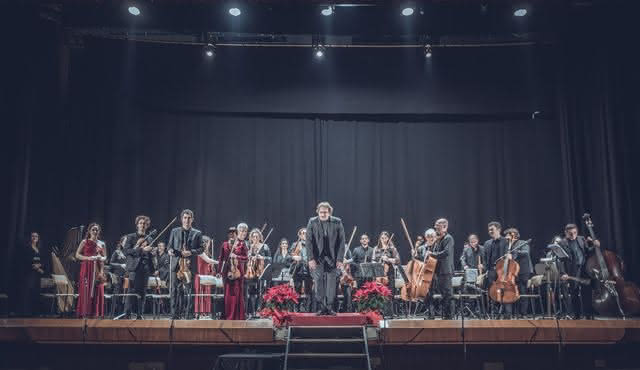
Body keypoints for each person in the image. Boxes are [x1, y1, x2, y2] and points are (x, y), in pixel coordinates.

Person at [306, 202, 346, 316]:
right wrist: (310, 258)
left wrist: (339, 259)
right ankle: (321, 307)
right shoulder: (312, 222)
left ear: (329, 212)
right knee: (318, 283)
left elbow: (342, 242)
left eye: (325, 212)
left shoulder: (337, 222)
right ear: (317, 212)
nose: (323, 214)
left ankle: (329, 307)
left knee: (331, 284)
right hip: (317, 258)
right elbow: (308, 241)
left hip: (332, 258)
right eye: (321, 212)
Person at [167, 209, 204, 319]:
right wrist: (169, 251)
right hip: (176, 264)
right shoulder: (174, 231)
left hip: (189, 265)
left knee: (189, 290)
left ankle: (189, 314)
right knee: (174, 290)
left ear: (192, 219)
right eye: (185, 218)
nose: (187, 220)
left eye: (189, 218)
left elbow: (201, 249)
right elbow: (169, 246)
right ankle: (174, 314)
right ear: (181, 219)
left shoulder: (197, 233)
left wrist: (191, 252)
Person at [557, 223, 596, 319]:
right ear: (566, 233)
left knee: (586, 293)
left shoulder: (581, 239)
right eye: (570, 233)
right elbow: (560, 260)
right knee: (574, 293)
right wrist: (563, 273)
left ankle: (588, 315)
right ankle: (577, 315)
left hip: (584, 269)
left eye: (575, 233)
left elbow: (588, 251)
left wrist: (594, 245)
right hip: (572, 271)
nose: (573, 235)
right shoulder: (562, 243)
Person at [123, 215, 154, 319]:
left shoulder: (149, 238)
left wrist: (152, 253)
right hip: (134, 268)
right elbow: (127, 251)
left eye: (144, 224)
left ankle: (140, 314)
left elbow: (150, 255)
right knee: (131, 291)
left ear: (147, 226)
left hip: (145, 268)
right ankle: (127, 313)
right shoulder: (131, 237)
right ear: (137, 225)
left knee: (143, 292)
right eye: (140, 223)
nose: (142, 225)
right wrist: (141, 250)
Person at [75, 223, 107, 318]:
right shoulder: (84, 242)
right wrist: (88, 258)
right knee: (86, 289)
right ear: (89, 231)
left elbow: (105, 257)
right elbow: (77, 255)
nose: (95, 231)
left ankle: (95, 312)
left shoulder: (102, 243)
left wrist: (101, 259)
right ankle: (85, 311)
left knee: (98, 288)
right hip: (87, 268)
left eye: (97, 230)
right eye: (93, 229)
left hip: (97, 268)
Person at [219, 223, 249, 320]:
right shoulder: (224, 244)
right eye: (230, 233)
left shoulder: (242, 244)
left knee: (237, 293)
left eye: (233, 233)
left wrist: (237, 256)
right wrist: (219, 271)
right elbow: (221, 258)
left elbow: (246, 257)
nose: (232, 235)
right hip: (227, 271)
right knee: (227, 294)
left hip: (238, 271)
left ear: (236, 234)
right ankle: (227, 315)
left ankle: (237, 315)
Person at [426, 218, 455, 320]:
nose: (435, 227)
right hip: (439, 271)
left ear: (444, 226)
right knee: (444, 295)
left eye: (437, 225)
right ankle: (446, 316)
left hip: (445, 271)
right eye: (435, 225)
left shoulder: (448, 238)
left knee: (448, 295)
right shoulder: (439, 239)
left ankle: (449, 317)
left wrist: (432, 254)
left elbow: (446, 253)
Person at [483, 221, 510, 318]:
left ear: (499, 230)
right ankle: (493, 314)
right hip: (491, 271)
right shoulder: (487, 243)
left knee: (505, 292)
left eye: (492, 229)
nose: (490, 231)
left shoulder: (506, 241)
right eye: (489, 230)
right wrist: (486, 270)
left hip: (503, 270)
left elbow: (511, 254)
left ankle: (507, 315)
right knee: (492, 292)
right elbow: (485, 258)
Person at [504, 228, 533, 318]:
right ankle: (510, 314)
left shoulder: (523, 243)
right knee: (511, 292)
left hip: (523, 271)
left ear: (514, 235)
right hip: (511, 272)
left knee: (522, 291)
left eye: (508, 235)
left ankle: (523, 314)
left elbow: (526, 253)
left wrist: (513, 254)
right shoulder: (507, 246)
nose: (506, 237)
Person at [372, 231, 400, 314]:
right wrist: (376, 263)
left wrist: (388, 259)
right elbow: (373, 260)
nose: (383, 240)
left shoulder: (392, 249)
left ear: (388, 239)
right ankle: (379, 312)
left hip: (389, 274)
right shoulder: (376, 248)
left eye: (385, 238)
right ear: (380, 238)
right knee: (378, 293)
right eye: (382, 238)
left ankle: (390, 313)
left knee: (389, 294)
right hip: (378, 274)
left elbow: (398, 260)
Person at [246, 229, 272, 318]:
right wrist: (249, 256)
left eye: (257, 236)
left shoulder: (264, 246)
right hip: (251, 271)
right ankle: (252, 311)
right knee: (251, 292)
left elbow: (270, 258)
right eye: (253, 236)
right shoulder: (249, 246)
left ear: (260, 237)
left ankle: (260, 311)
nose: (255, 238)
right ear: (251, 237)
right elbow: (244, 257)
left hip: (261, 272)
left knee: (261, 292)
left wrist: (262, 257)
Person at [20, 232, 45, 317]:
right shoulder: (27, 247)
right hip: (29, 272)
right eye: (33, 236)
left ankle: (34, 312)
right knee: (28, 291)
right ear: (30, 237)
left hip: (37, 274)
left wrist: (40, 266)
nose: (34, 237)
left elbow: (43, 260)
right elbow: (26, 260)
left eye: (36, 236)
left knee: (35, 291)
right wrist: (37, 268)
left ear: (38, 238)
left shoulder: (39, 248)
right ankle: (26, 312)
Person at [290, 227, 313, 312]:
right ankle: (297, 309)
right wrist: (294, 257)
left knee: (309, 291)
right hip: (298, 270)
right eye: (303, 233)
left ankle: (308, 309)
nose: (305, 234)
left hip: (308, 270)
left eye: (306, 233)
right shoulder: (295, 244)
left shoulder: (311, 245)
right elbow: (289, 256)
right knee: (297, 291)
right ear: (299, 235)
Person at [194, 236, 218, 318]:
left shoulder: (207, 253)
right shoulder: (200, 252)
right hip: (201, 276)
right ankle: (200, 312)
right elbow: (208, 260)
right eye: (208, 244)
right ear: (204, 243)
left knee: (207, 294)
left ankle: (206, 312)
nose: (209, 245)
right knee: (201, 294)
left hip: (206, 276)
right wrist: (218, 262)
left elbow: (209, 263)